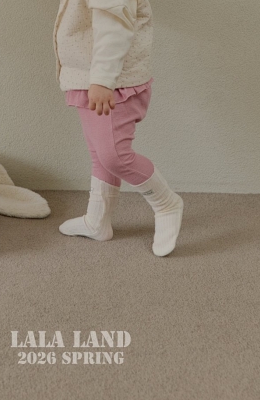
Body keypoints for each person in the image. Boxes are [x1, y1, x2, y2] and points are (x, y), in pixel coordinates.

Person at [53, 0, 184, 257]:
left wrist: (103, 80)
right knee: (100, 155)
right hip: (87, 75)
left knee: (115, 155)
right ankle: (97, 220)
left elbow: (114, 23)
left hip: (112, 81)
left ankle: (166, 203)